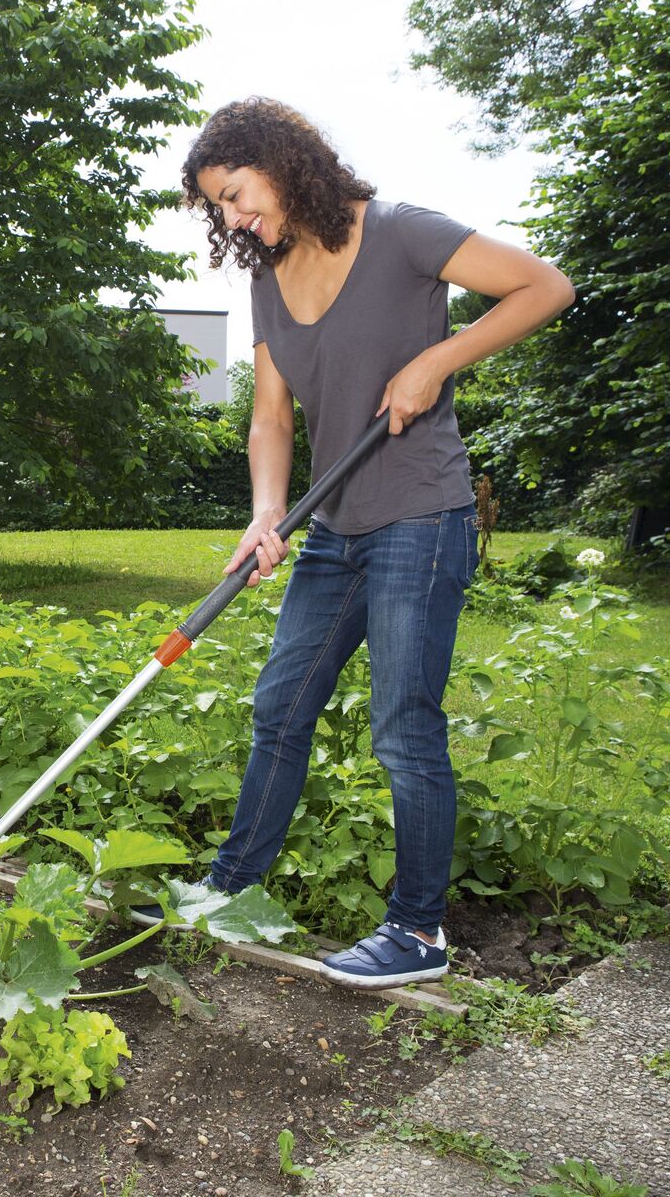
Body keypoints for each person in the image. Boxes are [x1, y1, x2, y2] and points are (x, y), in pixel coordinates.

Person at [176, 97, 574, 989]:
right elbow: (270, 418)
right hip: (334, 528)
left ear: (282, 163)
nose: (235, 219)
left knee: (403, 729)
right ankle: (230, 888)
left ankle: (419, 932)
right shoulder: (267, 280)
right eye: (221, 209)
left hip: (420, 519)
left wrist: (437, 360)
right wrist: (266, 511)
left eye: (238, 194)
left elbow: (546, 285)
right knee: (280, 708)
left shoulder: (399, 234)